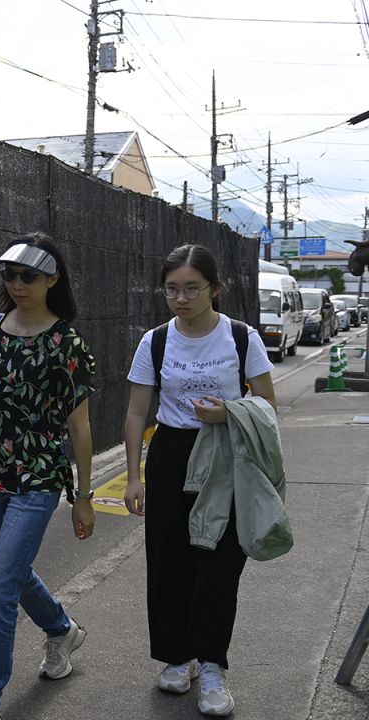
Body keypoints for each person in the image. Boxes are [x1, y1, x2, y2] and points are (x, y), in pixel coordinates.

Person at [122, 244, 278, 717]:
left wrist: (228, 412)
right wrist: (133, 476)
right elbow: (135, 411)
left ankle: (212, 666)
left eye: (192, 288)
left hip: (227, 457)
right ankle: (177, 657)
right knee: (168, 561)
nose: (181, 299)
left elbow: (269, 404)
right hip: (170, 454)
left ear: (215, 288)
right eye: (172, 289)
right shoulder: (155, 341)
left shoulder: (241, 336)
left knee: (218, 568)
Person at [0, 232, 97, 720]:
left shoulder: (67, 341)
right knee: (10, 572)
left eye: (28, 276)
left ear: (52, 279)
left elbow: (79, 426)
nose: (17, 284)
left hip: (37, 479)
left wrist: (83, 496)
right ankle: (61, 630)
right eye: (10, 274)